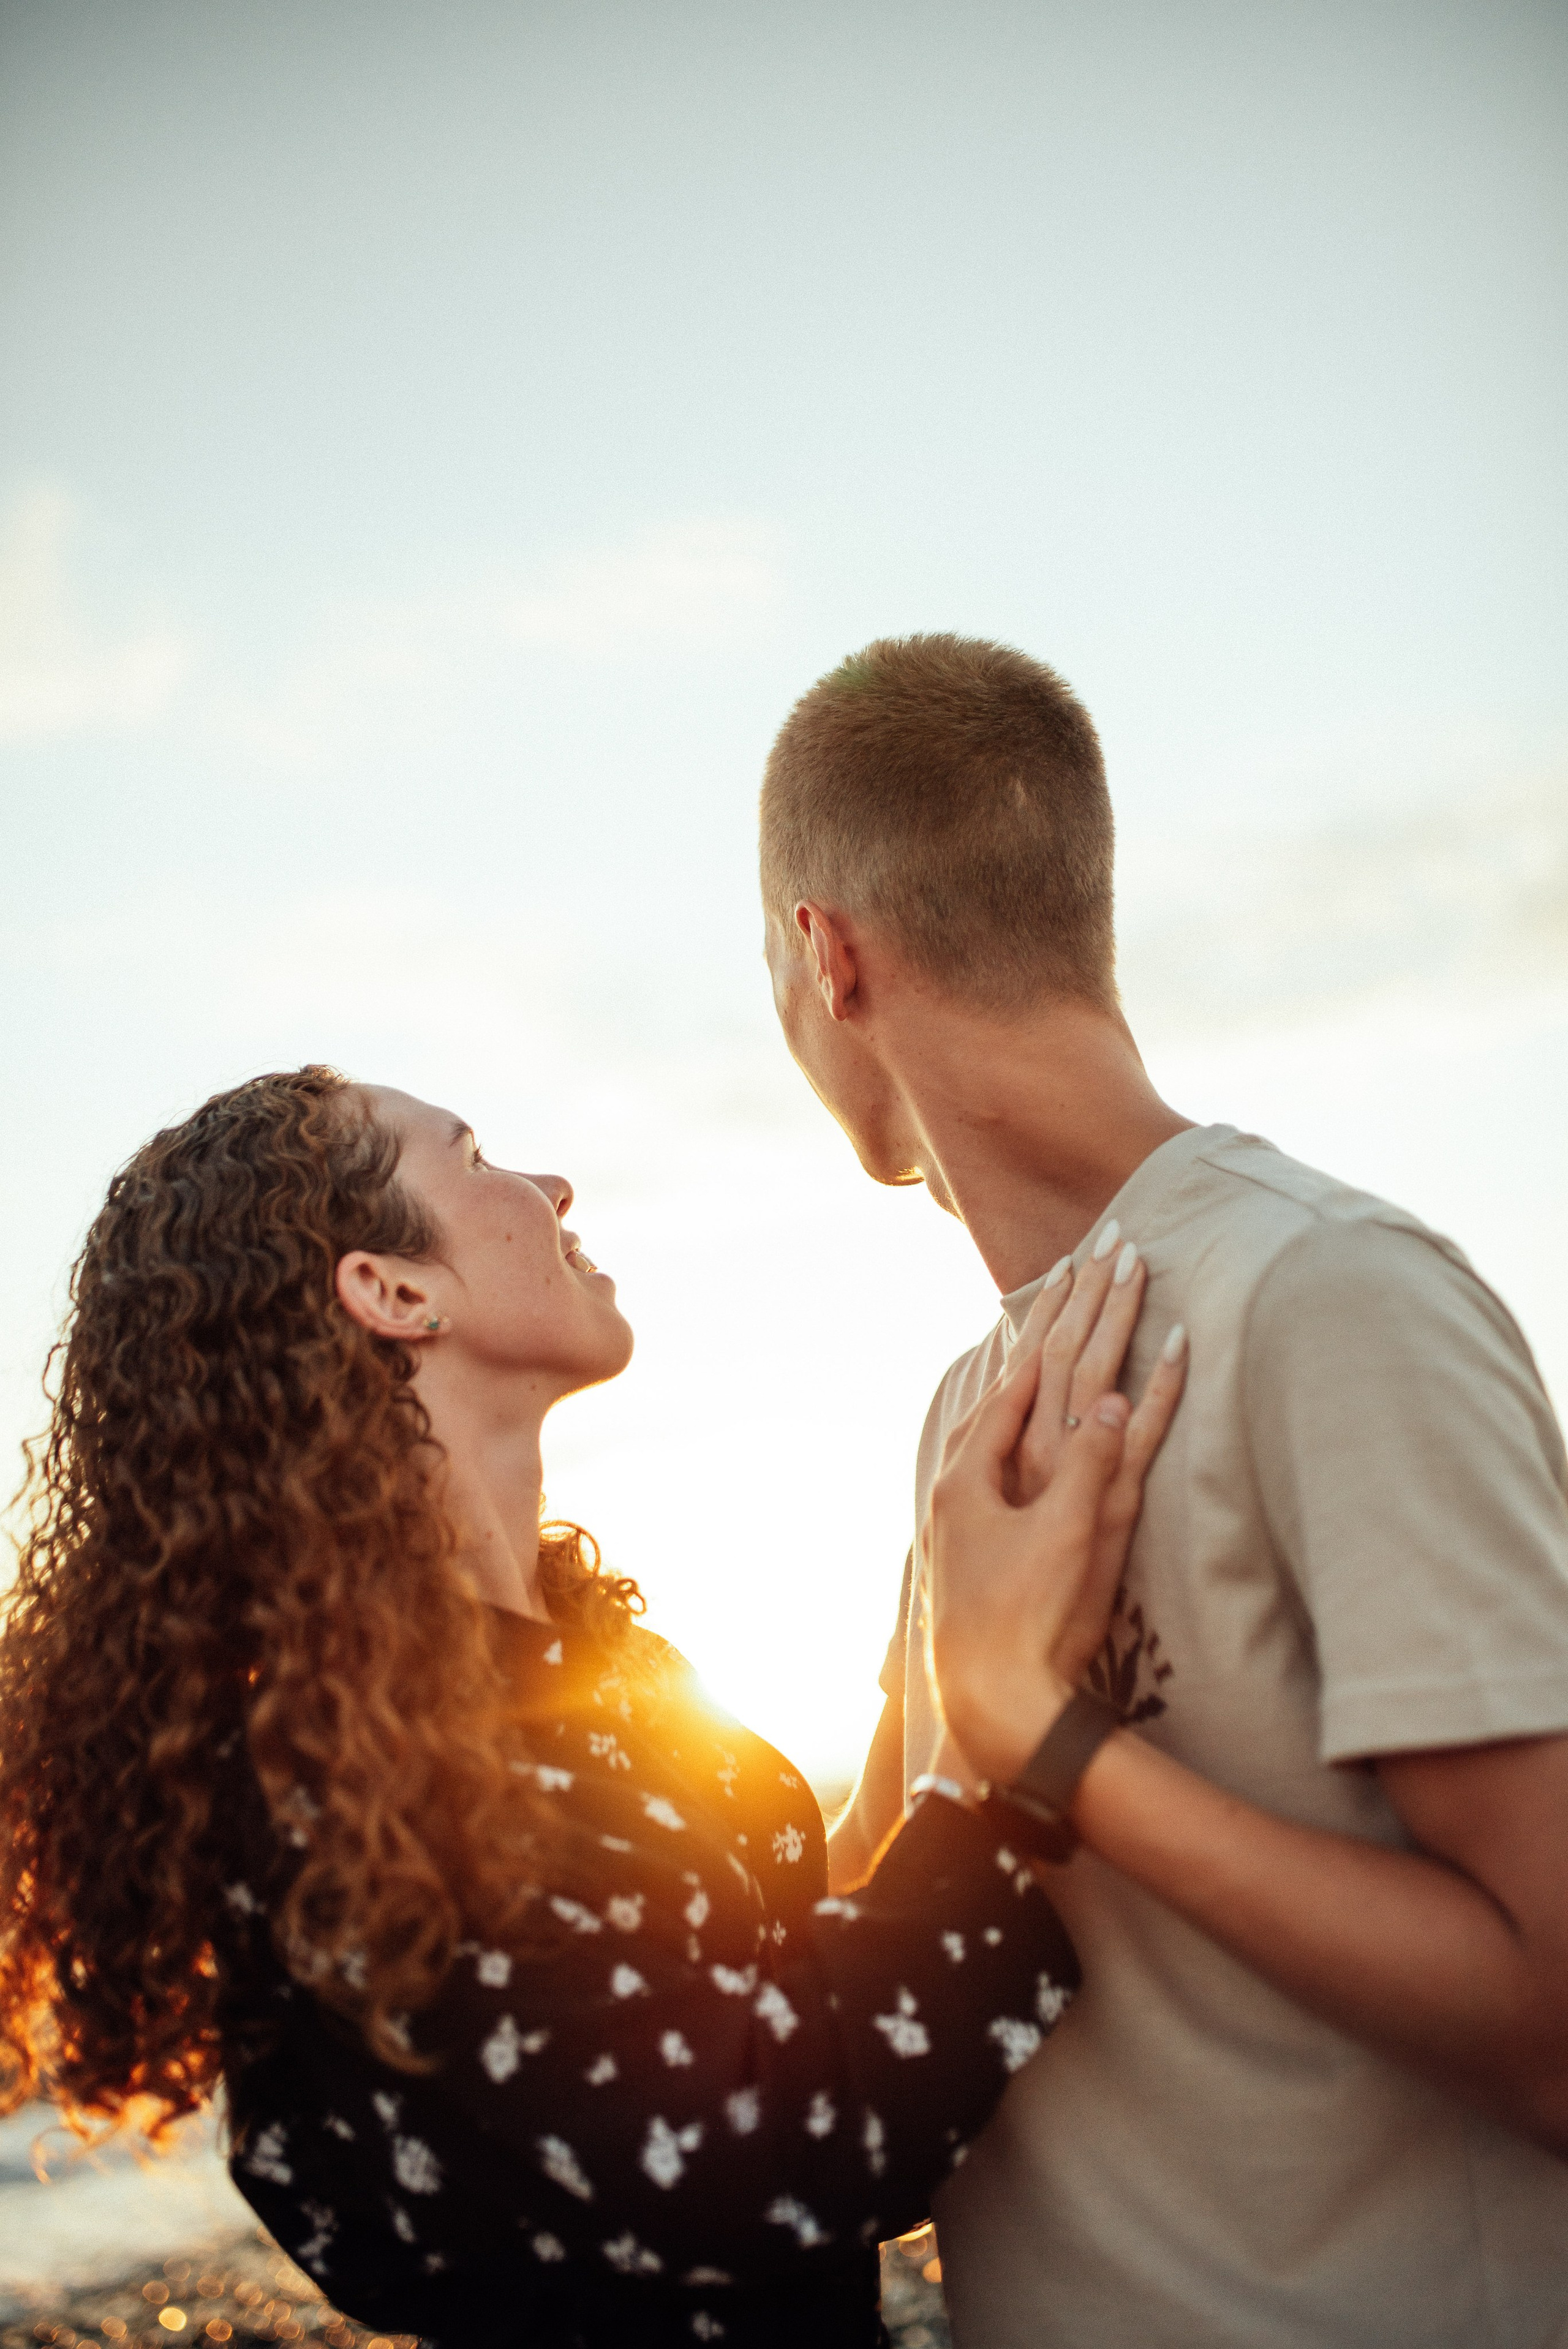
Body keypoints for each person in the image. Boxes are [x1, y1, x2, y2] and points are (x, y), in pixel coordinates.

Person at [0, 1065, 1183, 2349]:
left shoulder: (585, 1666)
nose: (550, 1186)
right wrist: (1018, 1764)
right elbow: (766, 2148)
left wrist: (951, 1634)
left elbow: (768, 1955)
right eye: (472, 1154)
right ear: (393, 1290)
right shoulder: (347, 1780)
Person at [761, 632, 1568, 2349]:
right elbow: (879, 1984)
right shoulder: (958, 1418)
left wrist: (1055, 1746)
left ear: (826, 957)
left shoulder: (1332, 1296)